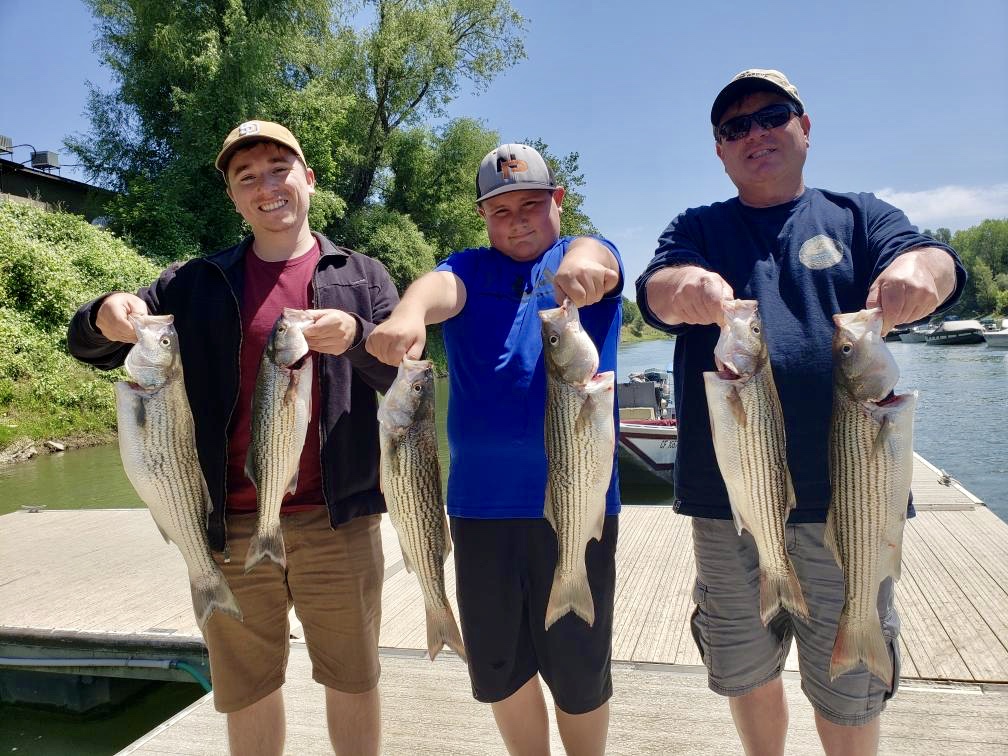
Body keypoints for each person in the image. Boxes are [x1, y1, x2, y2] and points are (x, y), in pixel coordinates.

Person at [635, 70, 966, 756]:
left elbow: (932, 259)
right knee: (745, 667)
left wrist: (926, 275)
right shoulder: (698, 228)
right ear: (720, 151)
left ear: (804, 127)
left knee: (849, 681)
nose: (755, 133)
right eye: (735, 128)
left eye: (772, 115)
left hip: (851, 500)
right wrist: (683, 287)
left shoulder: (858, 215)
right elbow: (658, 291)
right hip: (729, 504)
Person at [67, 120, 399, 755]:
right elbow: (93, 345)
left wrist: (357, 335)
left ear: (309, 178)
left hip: (341, 523)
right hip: (228, 526)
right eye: (247, 177)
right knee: (247, 689)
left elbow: (402, 374)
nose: (265, 186)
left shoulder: (362, 277)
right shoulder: (194, 282)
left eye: (279, 168)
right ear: (233, 197)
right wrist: (103, 313)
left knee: (354, 680)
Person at [366, 143, 622, 756]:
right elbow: (437, 289)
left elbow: (601, 258)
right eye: (500, 210)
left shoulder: (581, 258)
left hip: (579, 505)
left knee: (581, 670)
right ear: (483, 216)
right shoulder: (470, 269)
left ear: (557, 202)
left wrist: (585, 267)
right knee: (501, 668)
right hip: (479, 511)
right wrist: (408, 313)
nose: (517, 221)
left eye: (531, 205)